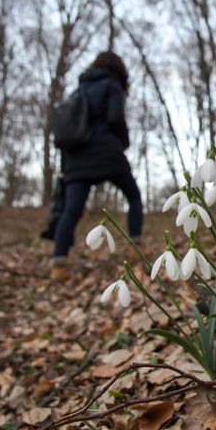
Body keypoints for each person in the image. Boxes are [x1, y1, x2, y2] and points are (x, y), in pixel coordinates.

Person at [50, 51, 143, 282]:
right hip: (105, 151)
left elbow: (66, 130)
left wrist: (65, 166)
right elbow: (114, 118)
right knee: (133, 196)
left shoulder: (78, 90)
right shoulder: (111, 85)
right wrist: (124, 141)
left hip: (76, 157)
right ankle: (135, 247)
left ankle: (58, 265)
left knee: (72, 210)